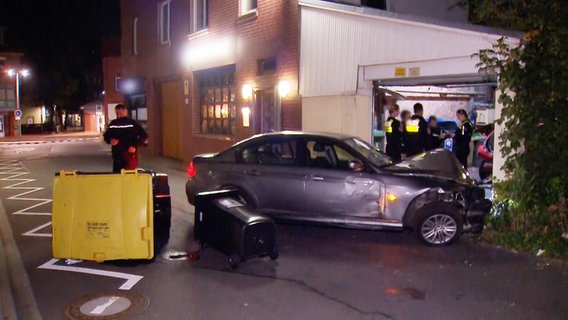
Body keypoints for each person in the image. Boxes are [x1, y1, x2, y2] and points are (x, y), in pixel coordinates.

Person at [103, 104, 148, 173]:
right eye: (117, 113)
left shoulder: (132, 123)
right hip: (117, 155)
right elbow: (106, 136)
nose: (119, 115)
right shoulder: (113, 123)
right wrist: (110, 140)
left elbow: (144, 135)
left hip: (129, 154)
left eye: (120, 113)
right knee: (117, 176)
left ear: (125, 111)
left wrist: (134, 146)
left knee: (128, 175)